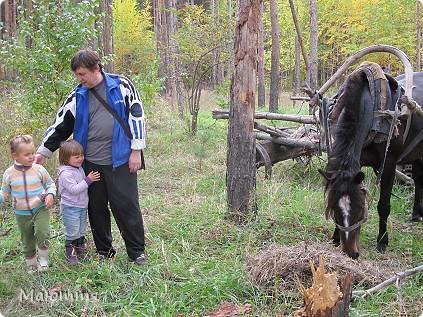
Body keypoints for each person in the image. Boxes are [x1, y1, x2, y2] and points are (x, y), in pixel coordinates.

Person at [35, 48, 147, 265]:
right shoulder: (77, 95)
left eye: (82, 74)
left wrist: (136, 150)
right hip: (89, 163)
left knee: (126, 206)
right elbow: (61, 126)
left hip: (121, 160)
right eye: (77, 75)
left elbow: (137, 115)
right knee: (96, 208)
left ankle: (137, 252)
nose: (79, 79)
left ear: (96, 68)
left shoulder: (122, 85)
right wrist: (42, 152)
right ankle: (105, 251)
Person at [0, 135, 56, 272]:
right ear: (15, 155)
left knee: (43, 233)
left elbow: (50, 184)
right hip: (21, 213)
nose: (32, 156)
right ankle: (31, 264)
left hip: (40, 207)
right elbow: (4, 193)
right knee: (27, 239)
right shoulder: (9, 174)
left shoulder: (39, 169)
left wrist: (50, 194)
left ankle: (43, 259)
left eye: (33, 153)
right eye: (27, 154)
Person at [58, 139, 100, 264]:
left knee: (81, 229)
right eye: (76, 157)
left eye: (81, 155)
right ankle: (70, 253)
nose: (80, 159)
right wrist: (88, 180)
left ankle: (80, 249)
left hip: (81, 205)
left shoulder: (78, 168)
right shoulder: (65, 173)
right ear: (65, 158)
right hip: (70, 207)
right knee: (72, 231)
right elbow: (73, 190)